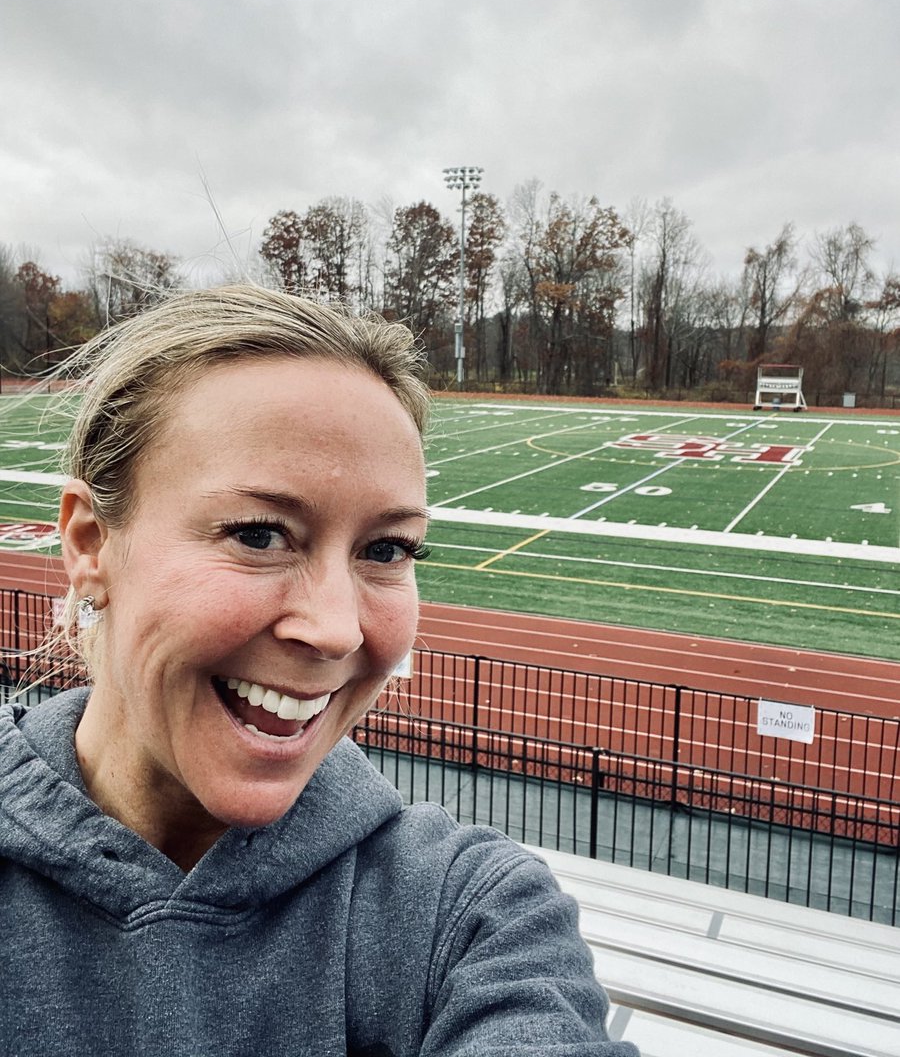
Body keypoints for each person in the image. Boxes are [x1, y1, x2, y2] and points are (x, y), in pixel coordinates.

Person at [0, 285, 639, 1056]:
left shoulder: (473, 916)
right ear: (91, 544)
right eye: (261, 535)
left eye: (387, 550)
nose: (337, 630)